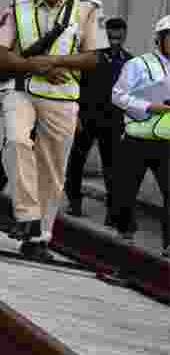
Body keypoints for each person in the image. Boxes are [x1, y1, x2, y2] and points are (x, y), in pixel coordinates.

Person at [0, 0, 106, 259]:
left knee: (53, 171)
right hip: (21, 90)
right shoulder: (17, 8)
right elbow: (0, 55)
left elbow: (93, 57)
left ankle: (39, 239)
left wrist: (55, 61)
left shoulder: (87, 9)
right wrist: (36, 66)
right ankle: (28, 214)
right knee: (16, 141)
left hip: (63, 96)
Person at [109, 15, 170, 256]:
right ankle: (124, 233)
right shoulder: (138, 64)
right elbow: (118, 95)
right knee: (125, 191)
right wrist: (149, 106)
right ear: (159, 39)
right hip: (137, 140)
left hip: (167, 143)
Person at [64, 16, 132, 221]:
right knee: (76, 163)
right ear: (104, 36)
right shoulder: (90, 58)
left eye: (119, 38)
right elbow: (75, 87)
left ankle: (112, 213)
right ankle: (74, 203)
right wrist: (75, 114)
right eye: (111, 38)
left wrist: (127, 121)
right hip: (86, 119)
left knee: (113, 169)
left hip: (113, 123)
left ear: (124, 37)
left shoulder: (130, 61)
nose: (115, 42)